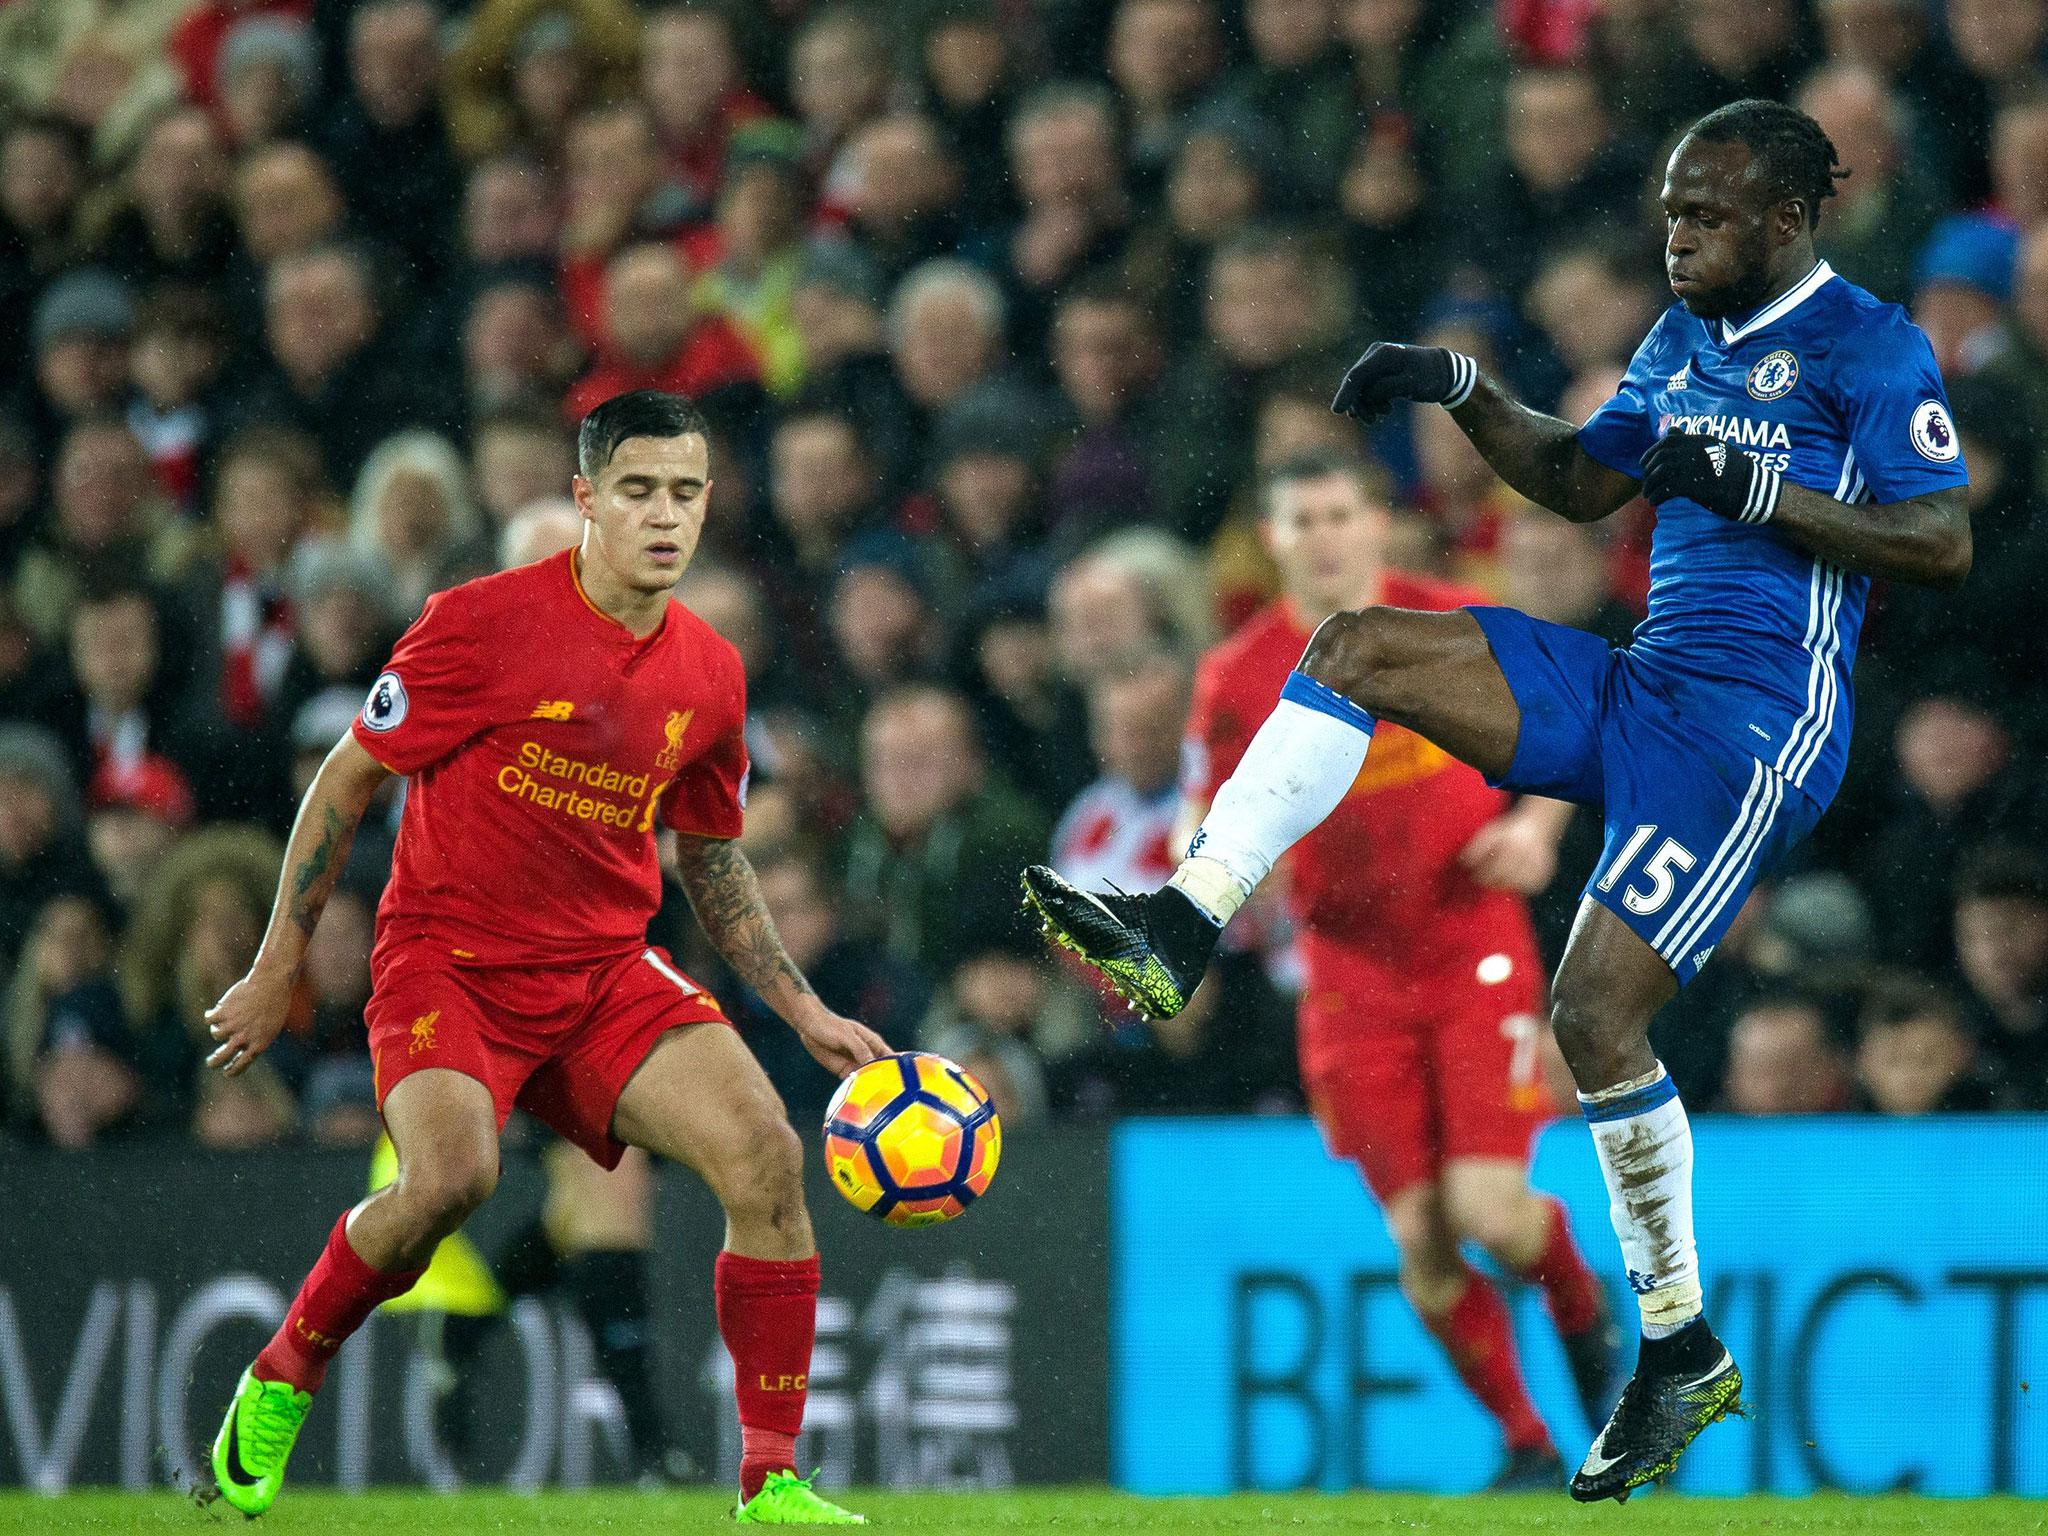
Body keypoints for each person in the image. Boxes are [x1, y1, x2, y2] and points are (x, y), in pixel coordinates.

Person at [1022, 100, 1972, 1500]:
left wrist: (1755, 489)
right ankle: (1181, 921)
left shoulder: (1871, 346)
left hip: (1754, 732)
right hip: (1642, 682)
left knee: (1594, 1012)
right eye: (1666, 211)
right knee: (1349, 647)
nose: (1676, 235)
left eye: (1703, 214)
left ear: (1787, 218)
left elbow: (1941, 538)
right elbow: (1583, 483)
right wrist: (1465, 389)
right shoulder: (1679, 340)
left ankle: (1676, 1351)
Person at [198, 390, 882, 1524]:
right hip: (448, 963)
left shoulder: (710, 673)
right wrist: (280, 963)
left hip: (605, 972)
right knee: (450, 1181)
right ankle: (281, 1377)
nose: (666, 516)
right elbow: (346, 778)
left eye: (687, 492)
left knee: (766, 1154)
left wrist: (799, 1008)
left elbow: (711, 860)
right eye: (638, 490)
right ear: (585, 501)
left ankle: (770, 1484)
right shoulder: (476, 624)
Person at [1177, 451, 1611, 1490]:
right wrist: (1234, 876)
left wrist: (1539, 832)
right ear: (1272, 539)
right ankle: (1523, 1444)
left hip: (1471, 944)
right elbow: (1206, 816)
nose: (1323, 535)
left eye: (1339, 512)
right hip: (1346, 972)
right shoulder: (1236, 675)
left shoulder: (1457, 623)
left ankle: (1585, 1327)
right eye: (1301, 519)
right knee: (1418, 1244)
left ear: (1376, 525)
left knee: (1489, 1215)